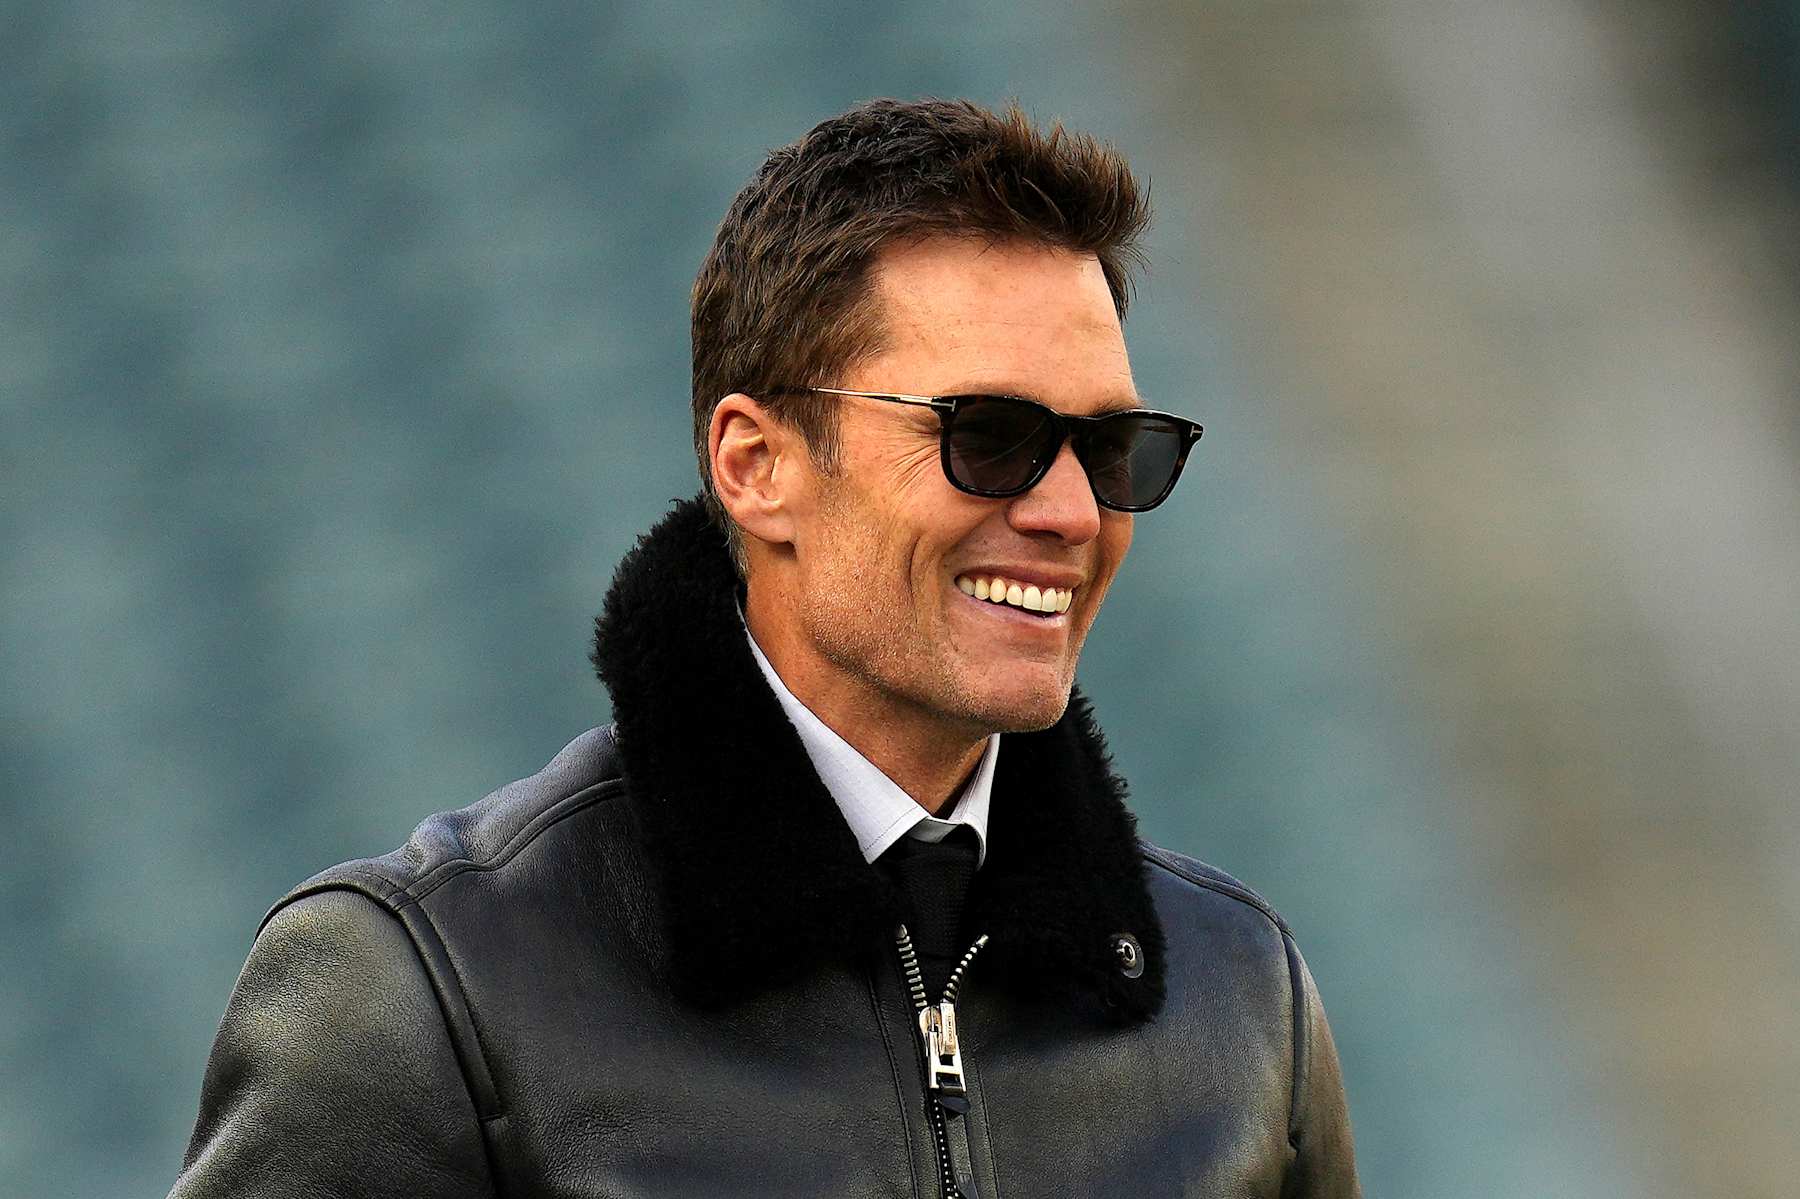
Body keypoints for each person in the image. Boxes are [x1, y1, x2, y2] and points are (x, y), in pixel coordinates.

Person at [169, 97, 1360, 1198]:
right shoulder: (425, 991)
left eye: (1113, 449)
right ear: (756, 465)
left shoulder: (1244, 1001)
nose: (1069, 511)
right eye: (990, 435)